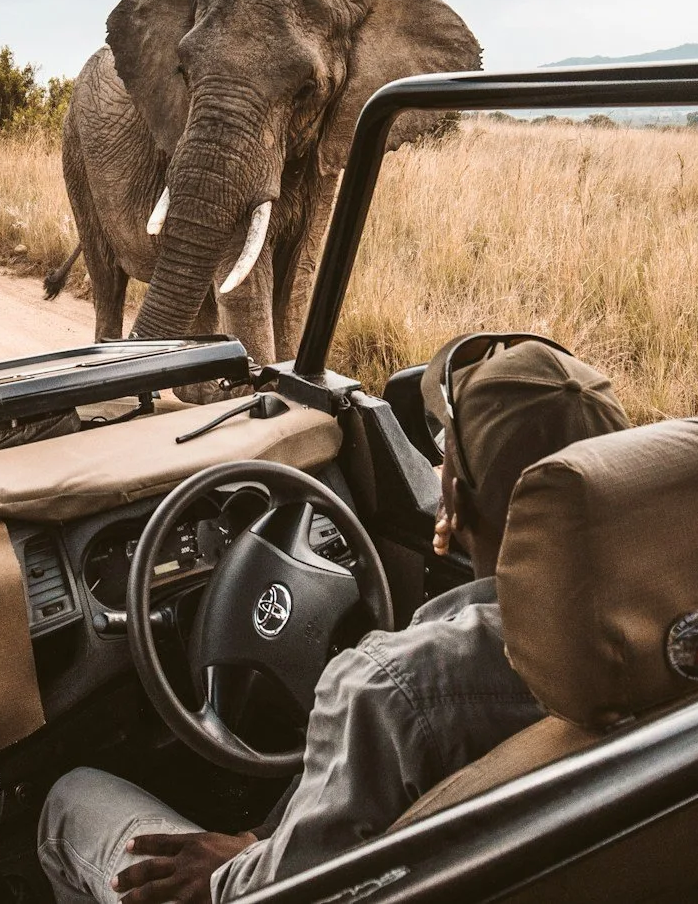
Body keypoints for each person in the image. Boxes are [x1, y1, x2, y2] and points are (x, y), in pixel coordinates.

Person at [37, 337, 630, 904]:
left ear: (455, 498)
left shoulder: (393, 688)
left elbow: (276, 892)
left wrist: (224, 875)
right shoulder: (676, 631)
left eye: (447, 451)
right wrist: (257, 841)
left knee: (69, 798)